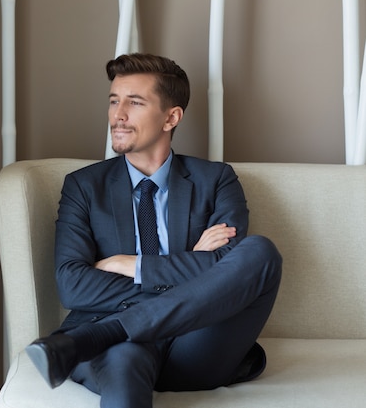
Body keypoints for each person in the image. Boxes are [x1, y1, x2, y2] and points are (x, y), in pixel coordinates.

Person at [25, 53, 283, 408]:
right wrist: (191, 265)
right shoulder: (84, 187)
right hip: (120, 349)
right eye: (114, 101)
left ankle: (110, 330)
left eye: (135, 102)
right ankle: (116, 333)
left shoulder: (216, 180)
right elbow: (71, 285)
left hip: (195, 343)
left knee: (260, 252)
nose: (118, 115)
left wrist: (131, 264)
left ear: (171, 117)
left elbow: (231, 264)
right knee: (123, 358)